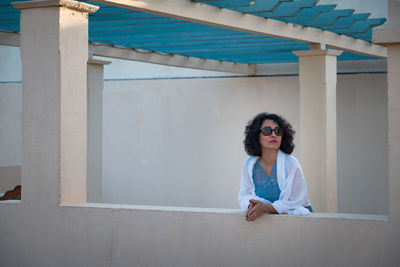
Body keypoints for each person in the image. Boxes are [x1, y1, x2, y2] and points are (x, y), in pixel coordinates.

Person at [238, 113, 312, 221]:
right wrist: (253, 206)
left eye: (278, 131)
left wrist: (265, 207)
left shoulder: (291, 163)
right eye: (267, 131)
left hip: (299, 222)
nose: (274, 135)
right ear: (256, 136)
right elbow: (245, 196)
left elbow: (296, 200)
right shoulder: (248, 165)